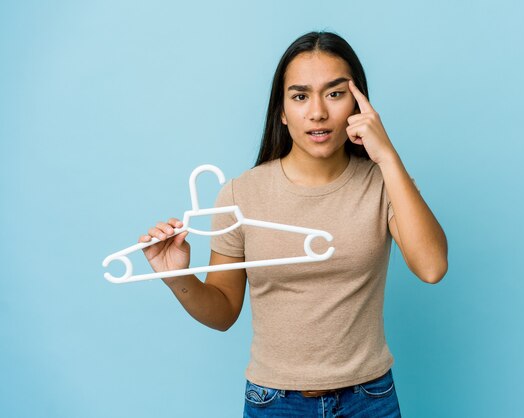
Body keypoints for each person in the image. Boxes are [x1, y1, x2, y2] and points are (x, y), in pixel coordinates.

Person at [139, 31, 447, 417]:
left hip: (370, 399)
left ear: (358, 103)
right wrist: (176, 277)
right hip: (275, 403)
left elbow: (432, 267)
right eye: (300, 96)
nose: (317, 112)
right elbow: (222, 312)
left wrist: (387, 156)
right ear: (282, 111)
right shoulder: (240, 194)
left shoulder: (385, 184)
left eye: (334, 94)